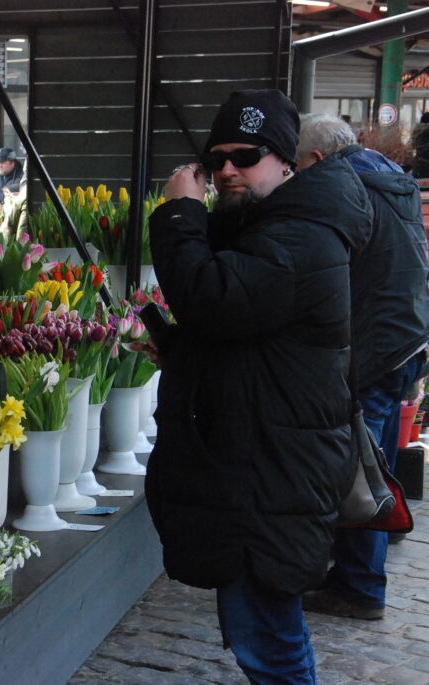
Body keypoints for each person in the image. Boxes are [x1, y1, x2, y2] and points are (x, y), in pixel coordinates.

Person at [145, 90, 372, 684]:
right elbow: (247, 332)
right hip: (260, 459)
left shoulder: (300, 234)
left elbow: (214, 299)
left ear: (287, 161)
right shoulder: (269, 224)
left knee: (266, 635)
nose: (227, 170)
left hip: (272, 467)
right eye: (215, 158)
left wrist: (179, 214)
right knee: (261, 625)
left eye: (246, 156)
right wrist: (183, 349)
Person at [295, 113, 429, 620]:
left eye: (295, 164)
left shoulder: (344, 186)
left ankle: (359, 587)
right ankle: (356, 572)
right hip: (405, 340)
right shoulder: (385, 174)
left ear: (316, 159)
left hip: (375, 349)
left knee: (359, 472)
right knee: (376, 466)